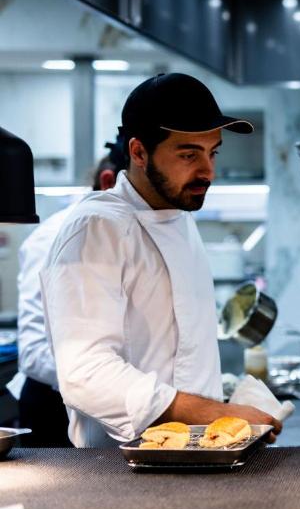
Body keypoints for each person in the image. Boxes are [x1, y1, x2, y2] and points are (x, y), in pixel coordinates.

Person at [40, 73, 282, 447]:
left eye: (212, 152)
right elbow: (85, 373)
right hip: (121, 468)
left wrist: (224, 412)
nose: (208, 172)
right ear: (138, 152)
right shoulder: (96, 228)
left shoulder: (180, 216)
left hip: (196, 453)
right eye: (188, 154)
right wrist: (216, 413)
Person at [6, 141, 127, 447]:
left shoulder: (124, 235)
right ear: (108, 182)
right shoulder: (53, 237)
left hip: (112, 405)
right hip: (54, 407)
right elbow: (33, 354)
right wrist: (100, 383)